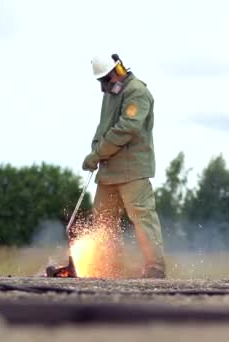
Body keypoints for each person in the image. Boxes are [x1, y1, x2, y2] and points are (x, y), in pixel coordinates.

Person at [82, 54, 166, 279]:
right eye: (102, 81)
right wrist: (95, 152)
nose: (104, 85)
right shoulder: (111, 93)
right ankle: (108, 268)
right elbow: (104, 127)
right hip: (109, 171)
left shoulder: (136, 92)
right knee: (102, 221)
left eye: (107, 79)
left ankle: (155, 269)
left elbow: (126, 129)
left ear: (118, 71)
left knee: (142, 218)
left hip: (132, 171)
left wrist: (98, 154)